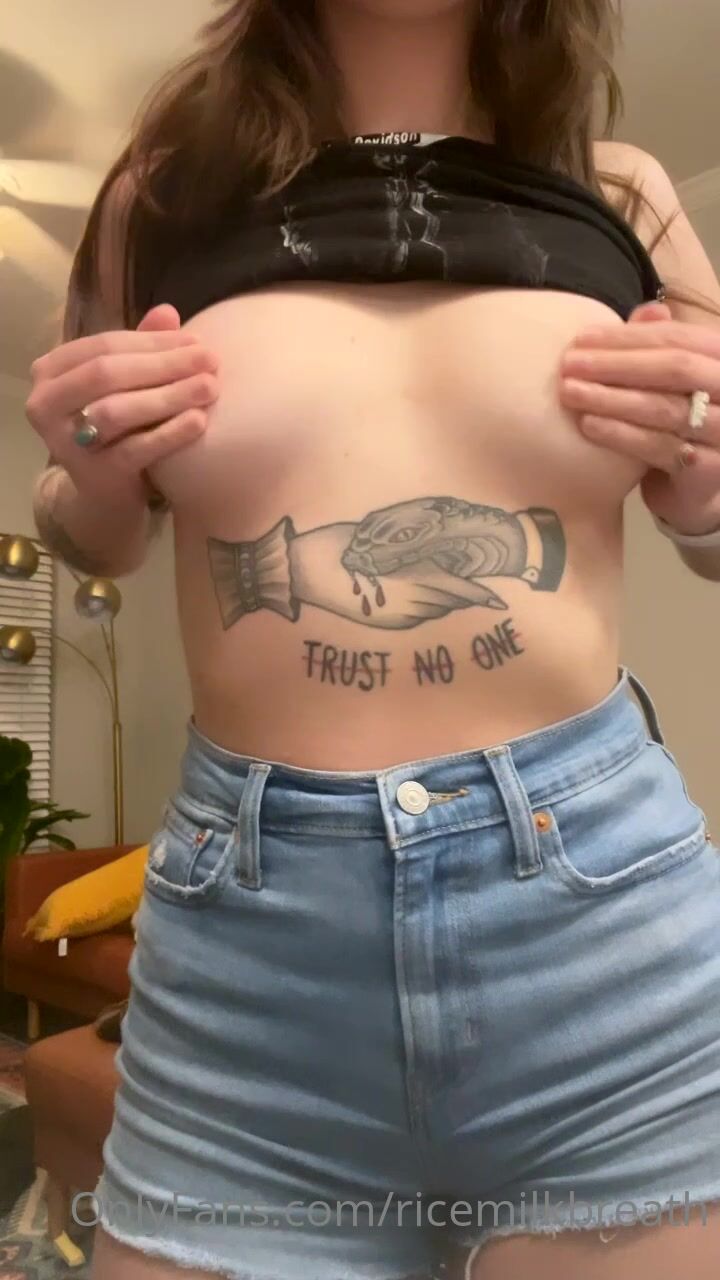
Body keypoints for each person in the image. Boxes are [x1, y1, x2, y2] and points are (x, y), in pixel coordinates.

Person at [26, 2, 720, 1278]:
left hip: (602, 938)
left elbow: (711, 520)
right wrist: (91, 466)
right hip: (249, 967)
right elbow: (88, 532)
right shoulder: (162, 198)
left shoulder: (618, 196)